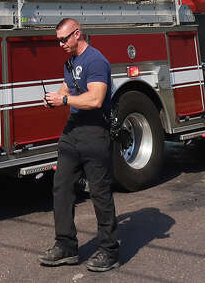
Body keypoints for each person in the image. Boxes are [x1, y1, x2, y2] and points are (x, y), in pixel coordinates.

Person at [40, 17, 119, 273]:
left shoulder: (95, 61)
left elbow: (96, 99)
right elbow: (67, 89)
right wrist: (54, 98)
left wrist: (64, 100)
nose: (61, 44)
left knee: (99, 192)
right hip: (73, 132)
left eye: (64, 39)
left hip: (95, 130)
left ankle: (108, 250)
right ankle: (66, 246)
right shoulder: (70, 62)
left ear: (77, 34)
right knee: (61, 187)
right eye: (58, 41)